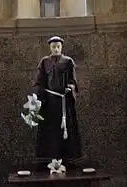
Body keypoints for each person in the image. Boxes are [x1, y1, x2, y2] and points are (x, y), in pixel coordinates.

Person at [33, 36, 82, 164]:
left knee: (66, 129)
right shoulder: (44, 62)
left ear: (61, 47)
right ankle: (49, 158)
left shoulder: (68, 61)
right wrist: (38, 98)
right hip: (49, 102)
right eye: (53, 47)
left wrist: (70, 88)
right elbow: (40, 81)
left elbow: (73, 80)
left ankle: (68, 158)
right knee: (50, 130)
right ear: (50, 47)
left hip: (64, 102)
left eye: (58, 46)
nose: (56, 49)